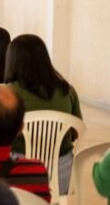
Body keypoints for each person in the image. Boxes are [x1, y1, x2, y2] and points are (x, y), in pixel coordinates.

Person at [5, 34, 83, 193]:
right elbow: (76, 132)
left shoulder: (6, 94)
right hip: (61, 173)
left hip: (20, 172)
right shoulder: (67, 90)